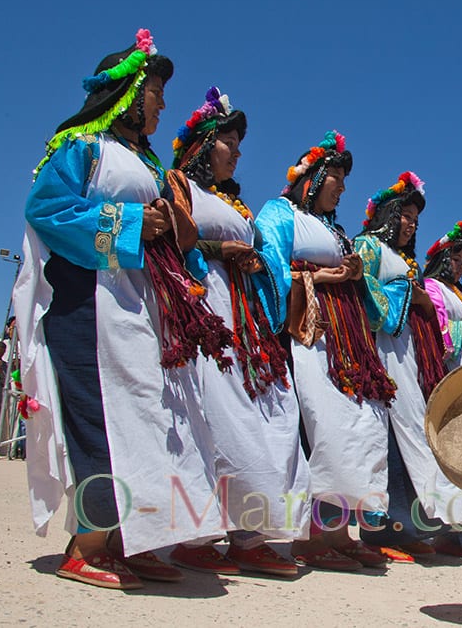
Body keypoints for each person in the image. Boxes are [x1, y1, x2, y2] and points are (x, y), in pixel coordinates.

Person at [14, 28, 224, 590]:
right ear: (128, 93)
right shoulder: (80, 147)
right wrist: (134, 224)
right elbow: (48, 210)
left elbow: (176, 240)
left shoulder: (151, 166)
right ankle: (87, 544)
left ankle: (130, 538)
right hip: (91, 306)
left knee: (152, 420)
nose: (161, 103)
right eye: (155, 91)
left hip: (144, 312)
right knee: (99, 419)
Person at [166, 88, 307, 577]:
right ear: (205, 144)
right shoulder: (177, 184)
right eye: (230, 141)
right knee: (219, 416)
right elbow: (172, 239)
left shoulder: (235, 203)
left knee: (272, 415)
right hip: (206, 311)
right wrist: (217, 248)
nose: (239, 152)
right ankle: (209, 534)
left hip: (247, 319)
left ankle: (250, 532)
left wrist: (250, 258)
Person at [253, 130, 391, 571]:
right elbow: (269, 267)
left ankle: (340, 531)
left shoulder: (335, 230)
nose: (343, 187)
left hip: (347, 339)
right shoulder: (279, 213)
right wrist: (319, 278)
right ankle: (314, 536)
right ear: (310, 178)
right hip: (311, 334)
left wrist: (352, 274)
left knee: (360, 425)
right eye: (336, 177)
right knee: (325, 425)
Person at [353, 172, 462, 559]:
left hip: (407, 357)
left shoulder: (407, 263)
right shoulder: (367, 245)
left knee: (411, 438)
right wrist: (409, 296)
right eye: (405, 215)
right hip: (380, 352)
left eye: (416, 221)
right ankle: (381, 530)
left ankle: (411, 527)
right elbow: (365, 301)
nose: (411, 224)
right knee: (385, 439)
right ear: (386, 213)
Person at [422, 221, 462, 370]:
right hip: (446, 367)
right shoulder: (432, 286)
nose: (461, 267)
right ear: (441, 260)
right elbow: (431, 326)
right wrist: (461, 329)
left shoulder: (460, 295)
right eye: (456, 259)